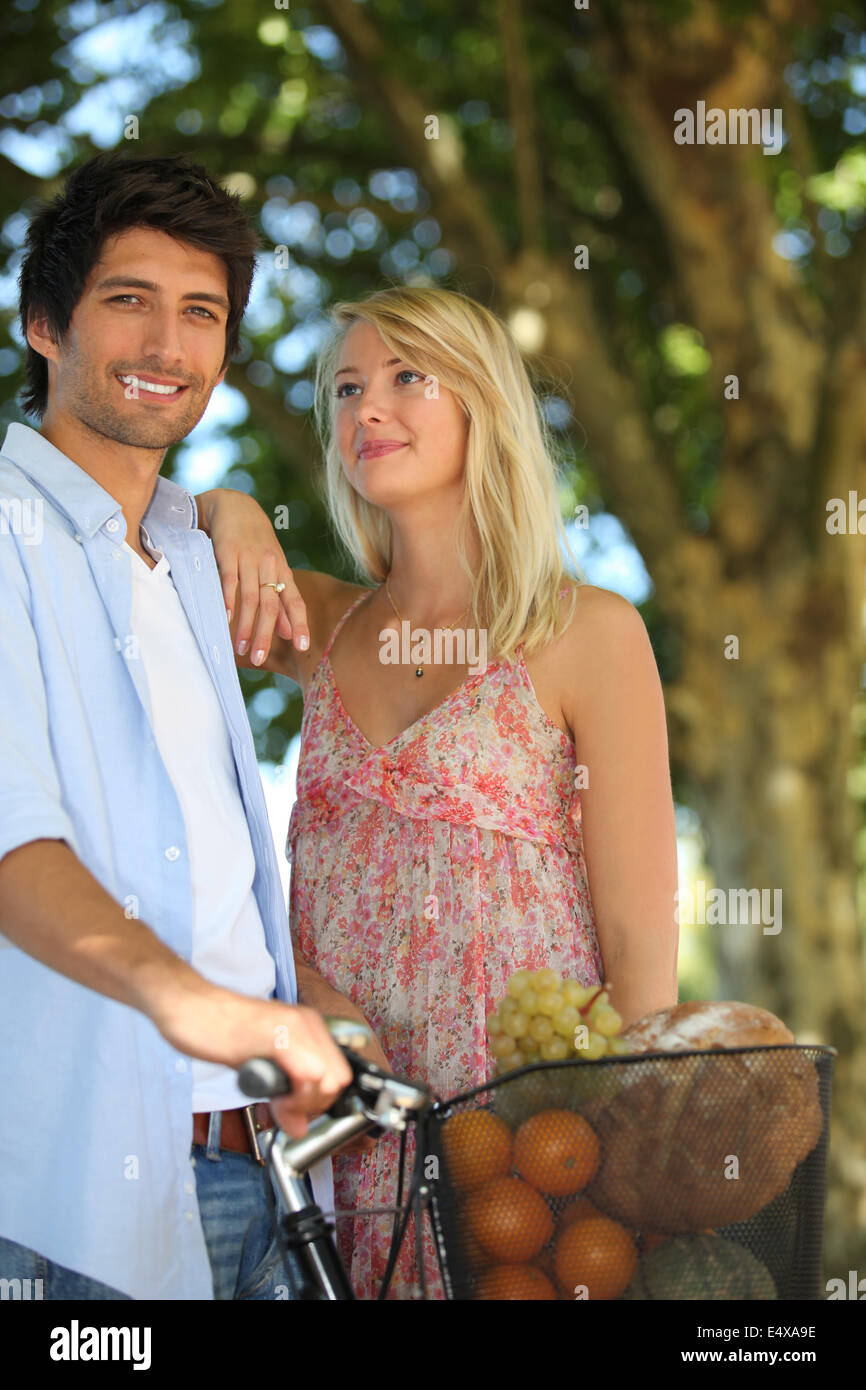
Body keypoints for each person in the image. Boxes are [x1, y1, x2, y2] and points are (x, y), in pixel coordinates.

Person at [196, 285, 680, 1298]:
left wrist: (632, 1178)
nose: (365, 408)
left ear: (483, 405)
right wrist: (227, 503)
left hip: (524, 1144)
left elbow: (640, 950)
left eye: (406, 376)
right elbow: (159, 540)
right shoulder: (318, 627)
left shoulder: (587, 632)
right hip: (344, 1136)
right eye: (345, 388)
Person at [0, 151, 371, 1301]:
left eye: (199, 313)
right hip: (67, 1205)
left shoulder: (193, 558)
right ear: (42, 325)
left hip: (259, 1172)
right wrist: (225, 1015)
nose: (168, 346)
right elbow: (14, 851)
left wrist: (298, 1013)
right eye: (129, 301)